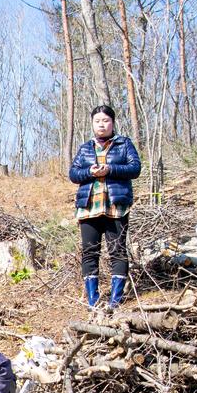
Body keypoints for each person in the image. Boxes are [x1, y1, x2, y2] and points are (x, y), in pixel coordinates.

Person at [68, 104, 142, 312]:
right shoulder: (85, 148)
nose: (102, 125)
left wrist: (110, 169)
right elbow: (73, 174)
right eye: (97, 121)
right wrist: (90, 172)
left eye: (106, 121)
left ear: (113, 123)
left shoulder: (124, 144)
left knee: (117, 250)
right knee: (90, 252)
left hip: (115, 207)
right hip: (89, 208)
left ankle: (115, 300)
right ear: (92, 124)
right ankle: (93, 300)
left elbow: (135, 168)